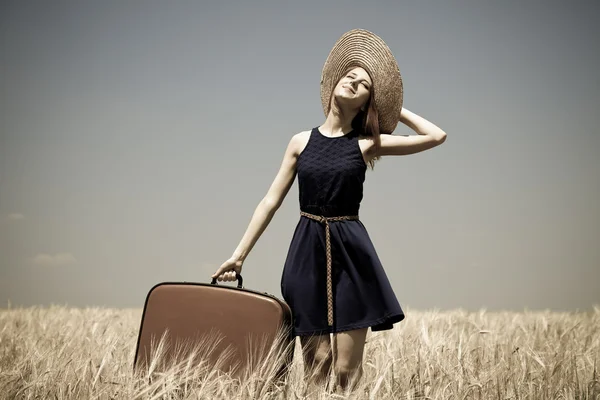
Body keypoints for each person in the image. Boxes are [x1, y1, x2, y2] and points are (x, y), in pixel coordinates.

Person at [211, 29, 447, 392]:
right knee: (317, 364)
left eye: (364, 84)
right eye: (350, 75)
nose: (354, 81)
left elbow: (435, 136)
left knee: (345, 371)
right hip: (306, 250)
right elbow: (270, 200)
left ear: (368, 102)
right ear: (335, 83)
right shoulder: (300, 141)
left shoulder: (368, 144)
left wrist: (392, 107)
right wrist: (238, 256)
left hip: (352, 253)